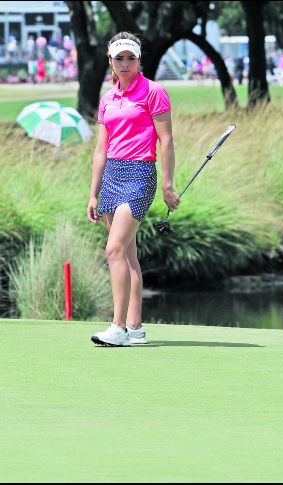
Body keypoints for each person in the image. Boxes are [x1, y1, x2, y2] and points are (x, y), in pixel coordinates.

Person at [88, 32, 179, 347]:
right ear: (110, 61)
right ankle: (135, 327)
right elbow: (101, 150)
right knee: (127, 255)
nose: (125, 64)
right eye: (119, 58)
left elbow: (166, 141)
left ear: (139, 60)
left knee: (113, 249)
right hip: (112, 173)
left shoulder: (154, 92)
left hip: (140, 174)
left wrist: (167, 184)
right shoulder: (107, 99)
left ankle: (118, 328)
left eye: (131, 58)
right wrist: (93, 192)